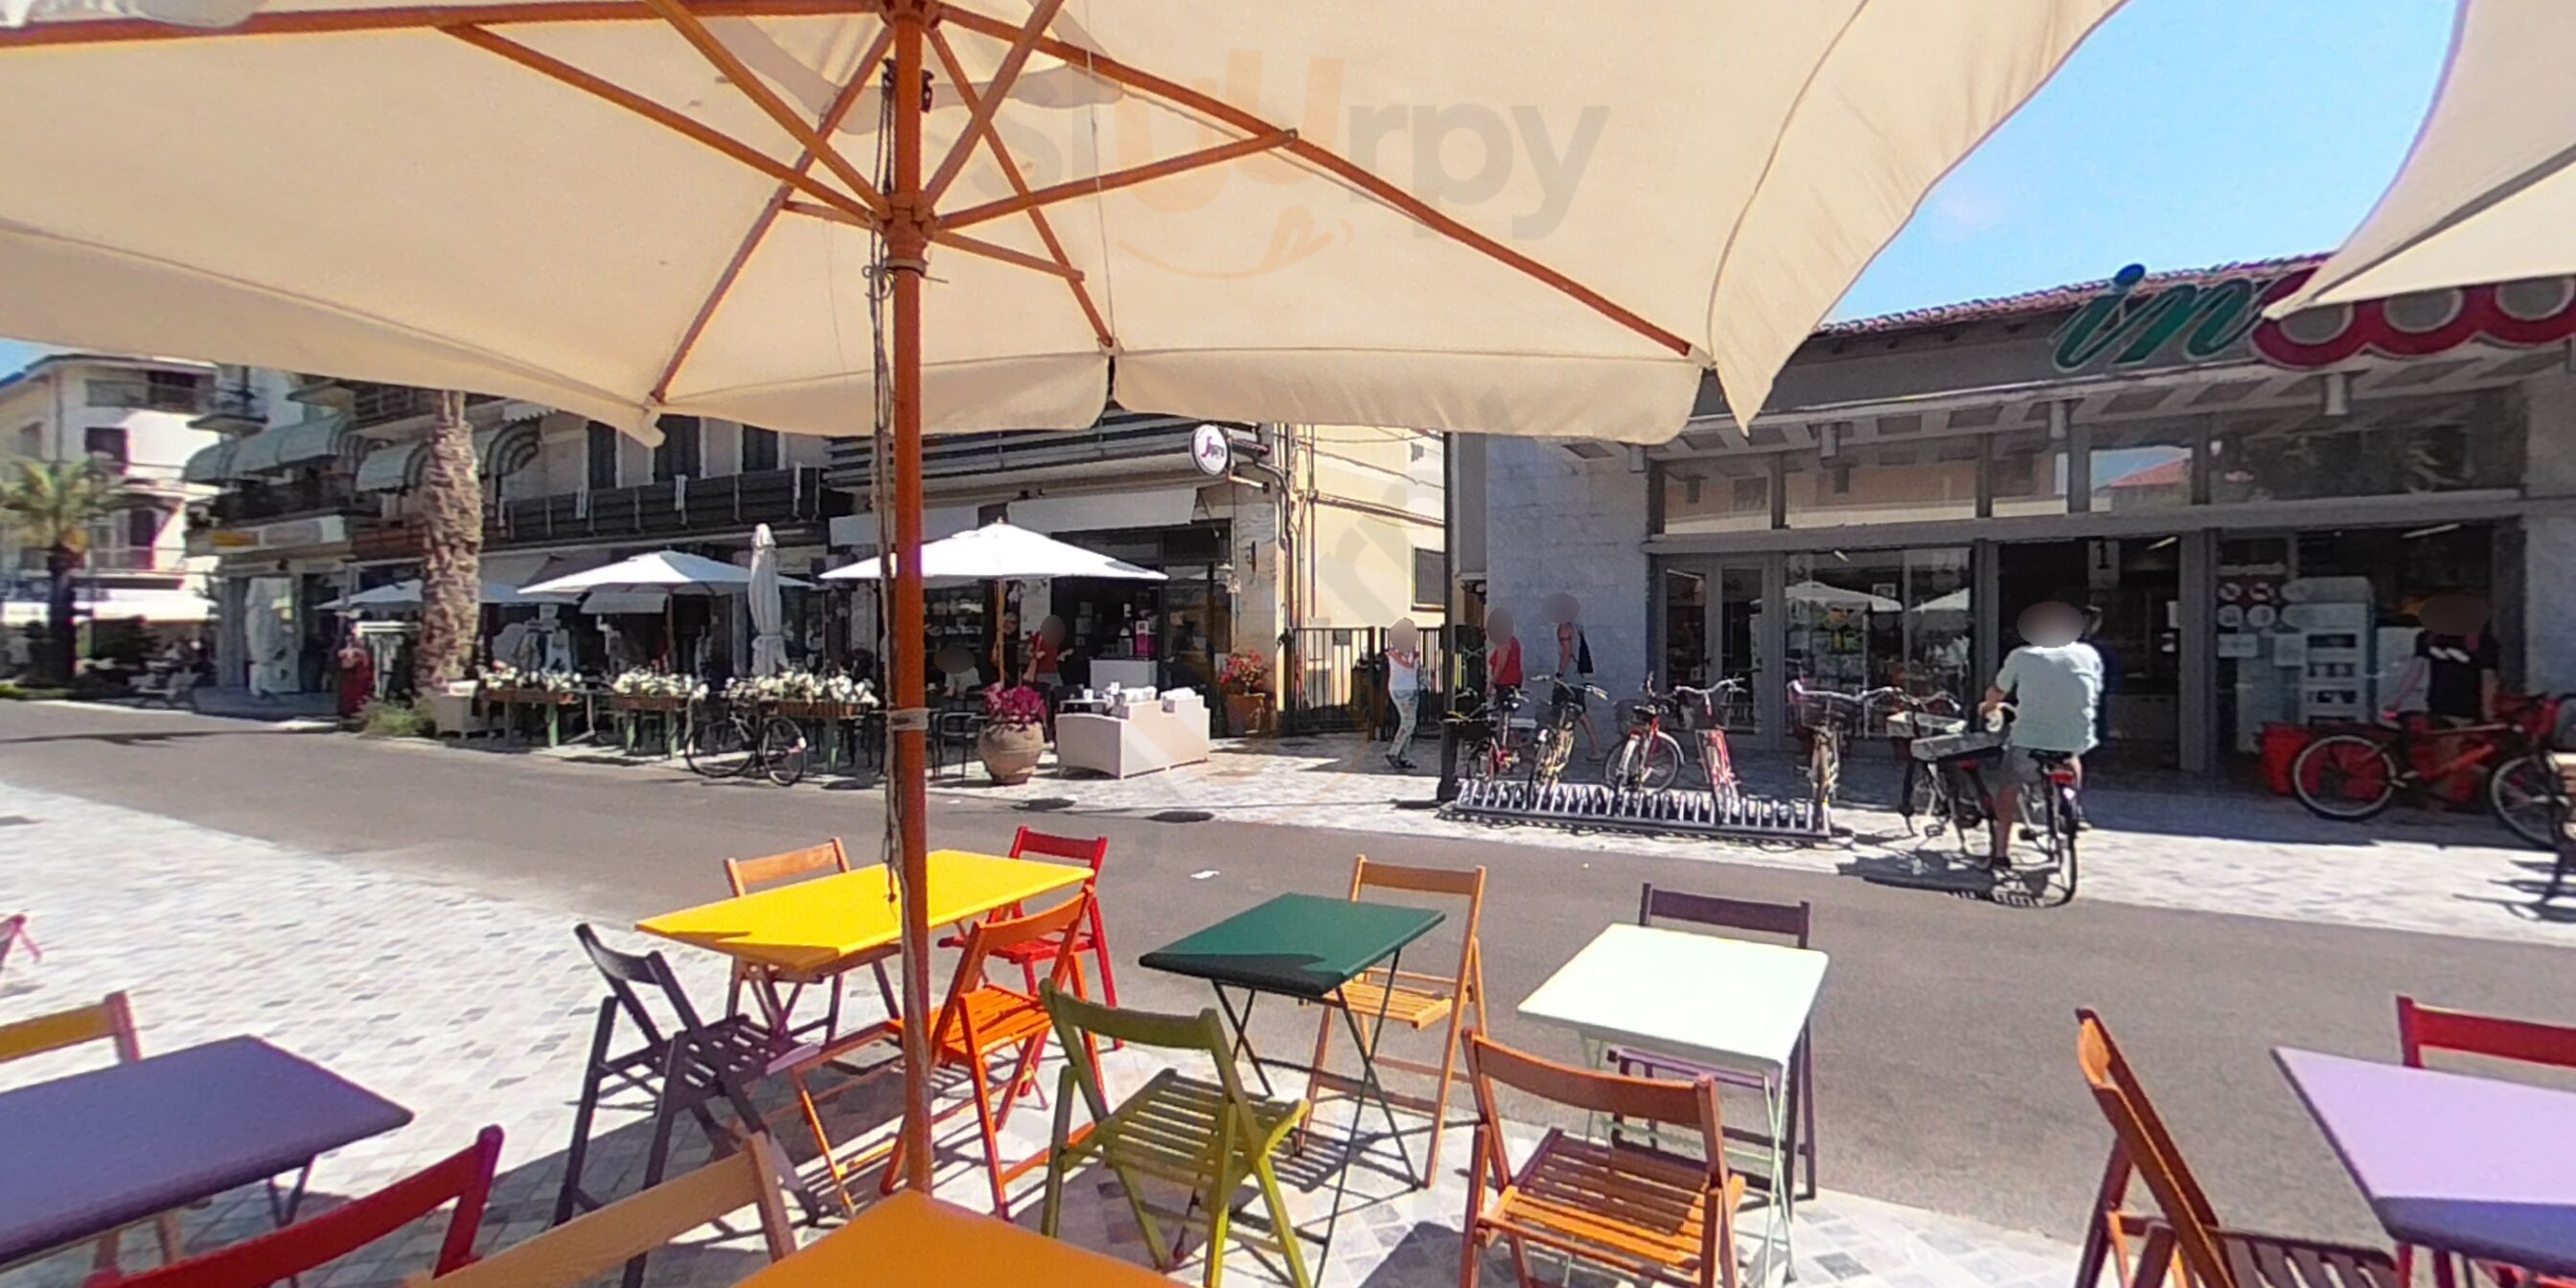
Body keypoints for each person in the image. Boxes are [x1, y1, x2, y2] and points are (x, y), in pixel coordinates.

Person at [1981, 600, 2102, 868]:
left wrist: (1989, 706)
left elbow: (1998, 691)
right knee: (2071, 755)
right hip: (2076, 733)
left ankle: (2000, 851)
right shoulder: (2088, 655)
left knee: (2009, 787)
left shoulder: (2022, 656)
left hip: (2029, 737)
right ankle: (2073, 804)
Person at [1383, 618, 1422, 770]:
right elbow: (1407, 664)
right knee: (1408, 721)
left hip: (1412, 688)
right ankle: (1394, 751)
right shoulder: (1394, 652)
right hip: (1400, 689)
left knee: (1411, 723)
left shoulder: (1411, 652)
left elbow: (1415, 668)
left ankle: (1403, 755)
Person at [334, 629, 376, 721]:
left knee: (354, 695)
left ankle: (353, 711)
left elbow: (347, 663)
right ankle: (351, 711)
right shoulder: (359, 653)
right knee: (351, 695)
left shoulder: (359, 653)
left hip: (358, 679)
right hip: (354, 679)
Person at [1485, 609, 1523, 702]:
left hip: (1505, 682)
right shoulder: (1513, 641)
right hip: (1513, 681)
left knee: (1500, 711)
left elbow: (1501, 665)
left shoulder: (1504, 642)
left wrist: (1492, 684)